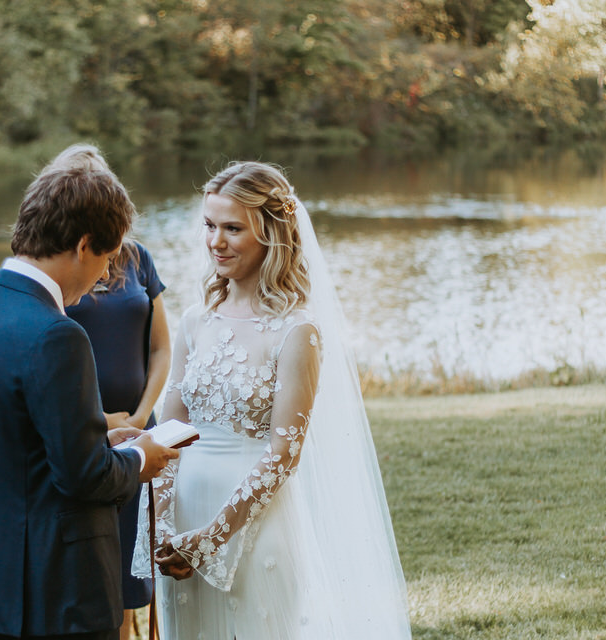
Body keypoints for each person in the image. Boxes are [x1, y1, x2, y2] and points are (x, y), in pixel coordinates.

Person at [132, 161, 412, 638]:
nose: (215, 241)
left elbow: (284, 454)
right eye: (209, 225)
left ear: (272, 234)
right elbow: (167, 433)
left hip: (252, 526)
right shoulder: (197, 321)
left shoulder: (297, 330)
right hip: (182, 518)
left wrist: (213, 538)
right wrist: (163, 527)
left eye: (232, 228)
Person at [0, 165, 180, 640]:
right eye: (108, 257)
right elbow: (84, 477)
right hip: (60, 589)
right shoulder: (58, 335)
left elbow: (15, 439)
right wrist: (142, 457)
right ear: (84, 245)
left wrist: (100, 435)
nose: (107, 273)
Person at [52, 144, 170, 640]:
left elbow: (162, 348)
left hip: (144, 431)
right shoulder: (55, 268)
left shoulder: (138, 258)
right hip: (91, 435)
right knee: (113, 572)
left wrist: (141, 418)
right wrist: (103, 422)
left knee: (159, 560)